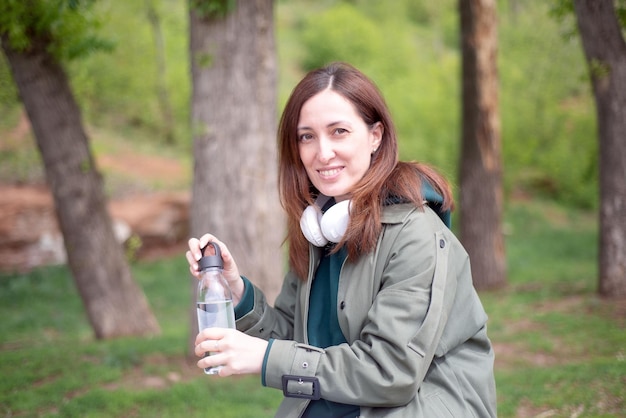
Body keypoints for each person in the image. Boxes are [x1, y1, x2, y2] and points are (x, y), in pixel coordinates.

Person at [186, 62, 497, 418]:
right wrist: (236, 292)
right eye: (307, 136)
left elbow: (390, 370)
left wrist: (264, 358)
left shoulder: (417, 235)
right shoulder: (320, 229)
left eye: (339, 132)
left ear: (375, 136)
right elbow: (293, 338)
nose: (322, 152)